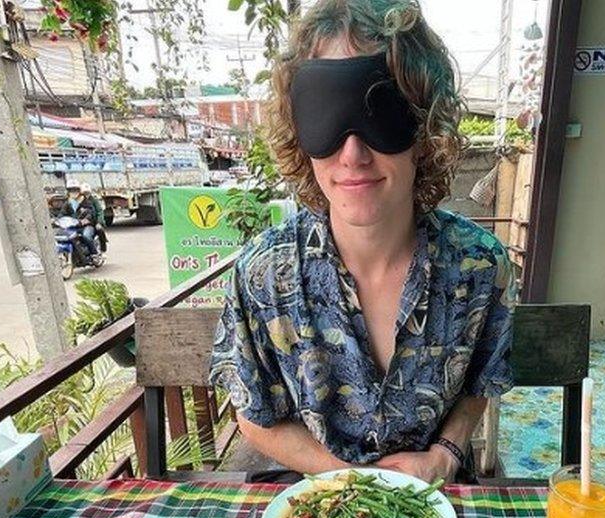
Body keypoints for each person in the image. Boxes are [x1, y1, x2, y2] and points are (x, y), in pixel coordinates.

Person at [210, 0, 516, 484]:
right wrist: (355, 482)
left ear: (423, 127)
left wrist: (445, 454)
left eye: (382, 112)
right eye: (327, 114)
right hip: (316, 500)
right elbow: (252, 412)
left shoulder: (479, 265)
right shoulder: (263, 273)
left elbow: (479, 379)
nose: (352, 154)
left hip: (437, 498)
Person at [64, 183, 100, 258]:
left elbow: (91, 212)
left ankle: (94, 254)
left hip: (86, 226)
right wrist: (56, 220)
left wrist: (86, 220)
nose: (73, 193)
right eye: (71, 190)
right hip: (73, 226)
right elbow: (62, 214)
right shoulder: (67, 203)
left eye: (75, 190)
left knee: (86, 236)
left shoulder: (86, 201)